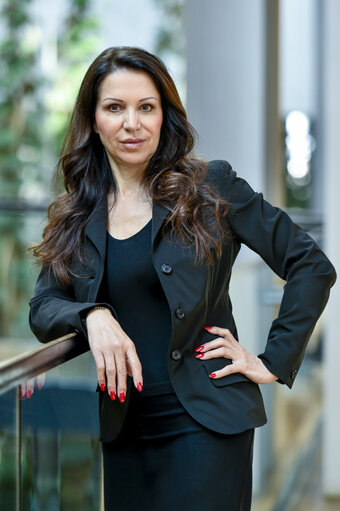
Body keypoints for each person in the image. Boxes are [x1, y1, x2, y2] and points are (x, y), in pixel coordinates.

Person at [28, 46, 336, 511]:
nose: (132, 123)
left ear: (163, 115)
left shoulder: (211, 187)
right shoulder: (76, 214)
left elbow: (311, 264)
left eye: (146, 107)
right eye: (115, 108)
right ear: (93, 120)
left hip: (208, 423)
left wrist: (273, 360)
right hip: (125, 427)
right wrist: (91, 315)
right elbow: (43, 307)